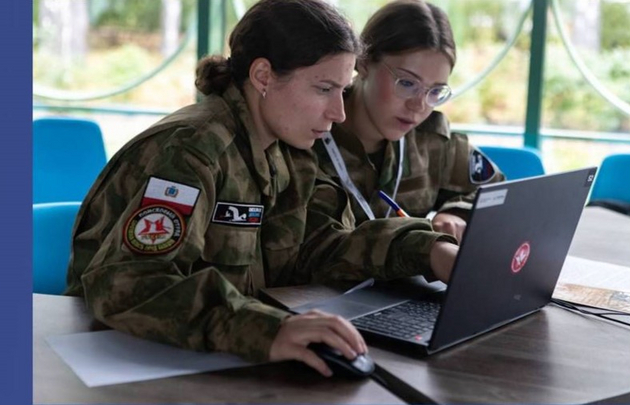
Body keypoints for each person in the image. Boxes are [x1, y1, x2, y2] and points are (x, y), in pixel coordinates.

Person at [64, 0, 458, 377]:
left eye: (343, 90)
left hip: (212, 356)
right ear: (263, 76)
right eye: (324, 89)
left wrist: (428, 250)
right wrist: (268, 330)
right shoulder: (190, 151)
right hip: (117, 358)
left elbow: (317, 248)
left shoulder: (285, 150)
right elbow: (128, 283)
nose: (339, 113)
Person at [315, 0, 505, 242]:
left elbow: (498, 191)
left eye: (435, 91)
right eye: (407, 83)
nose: (419, 105)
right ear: (363, 63)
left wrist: (456, 213)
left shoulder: (429, 141)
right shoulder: (309, 131)